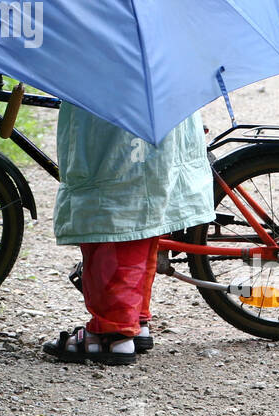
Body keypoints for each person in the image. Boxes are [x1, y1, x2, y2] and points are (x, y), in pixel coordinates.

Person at [43, 101, 215, 365]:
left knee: (115, 218)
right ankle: (136, 320)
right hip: (162, 113)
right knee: (143, 216)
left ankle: (113, 334)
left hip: (120, 121)